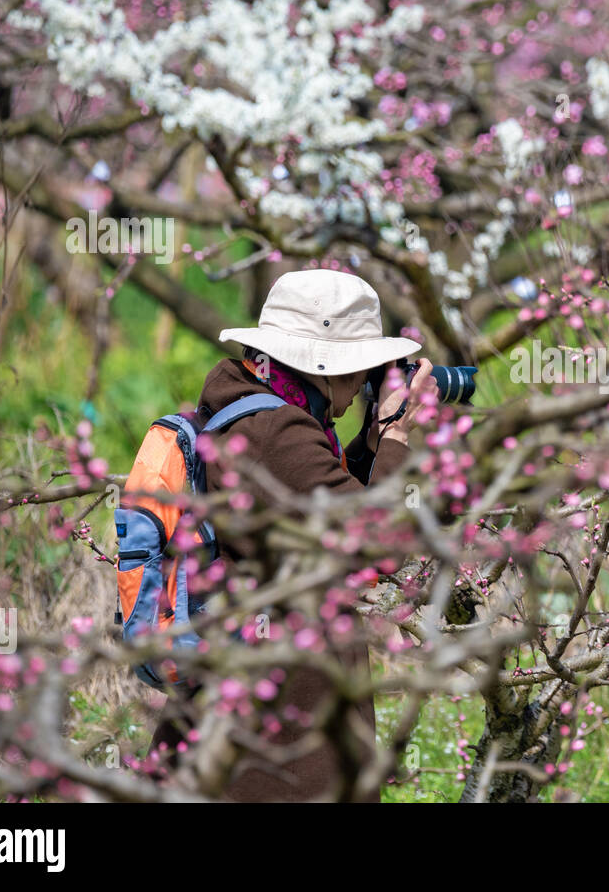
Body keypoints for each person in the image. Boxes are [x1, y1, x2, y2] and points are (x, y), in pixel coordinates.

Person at [148, 269, 434, 801]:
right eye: (360, 370)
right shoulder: (276, 430)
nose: (362, 385)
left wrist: (369, 448)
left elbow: (313, 503)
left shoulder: (253, 412)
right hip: (280, 735)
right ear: (323, 367)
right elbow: (376, 543)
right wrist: (397, 435)